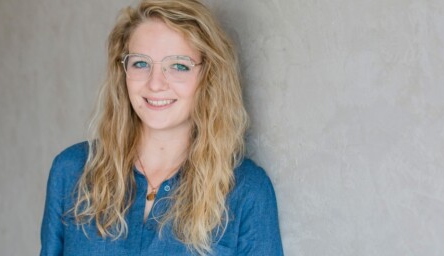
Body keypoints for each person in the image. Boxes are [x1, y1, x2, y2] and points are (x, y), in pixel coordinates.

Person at [40, 0, 283, 255]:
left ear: (208, 75)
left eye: (178, 65)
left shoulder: (246, 192)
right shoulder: (71, 172)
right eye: (141, 63)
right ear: (122, 71)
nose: (155, 84)